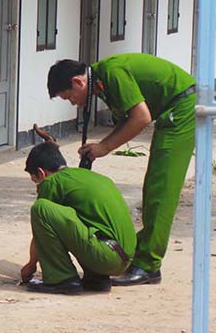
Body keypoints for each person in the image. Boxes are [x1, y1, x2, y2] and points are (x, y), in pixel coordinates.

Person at [47, 53, 195, 286]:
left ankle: (148, 266)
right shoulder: (101, 79)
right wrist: (100, 147)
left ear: (78, 82)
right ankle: (143, 254)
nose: (73, 103)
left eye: (69, 97)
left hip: (181, 106)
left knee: (162, 189)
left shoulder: (111, 73)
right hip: (170, 108)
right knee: (153, 187)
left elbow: (141, 117)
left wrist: (104, 147)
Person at [20, 141, 136, 294]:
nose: (37, 185)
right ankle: (96, 278)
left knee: (40, 208)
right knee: (82, 219)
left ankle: (61, 279)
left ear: (41, 173)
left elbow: (42, 228)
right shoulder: (90, 177)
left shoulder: (52, 182)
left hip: (107, 256)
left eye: (35, 180)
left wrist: (31, 265)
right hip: (124, 258)